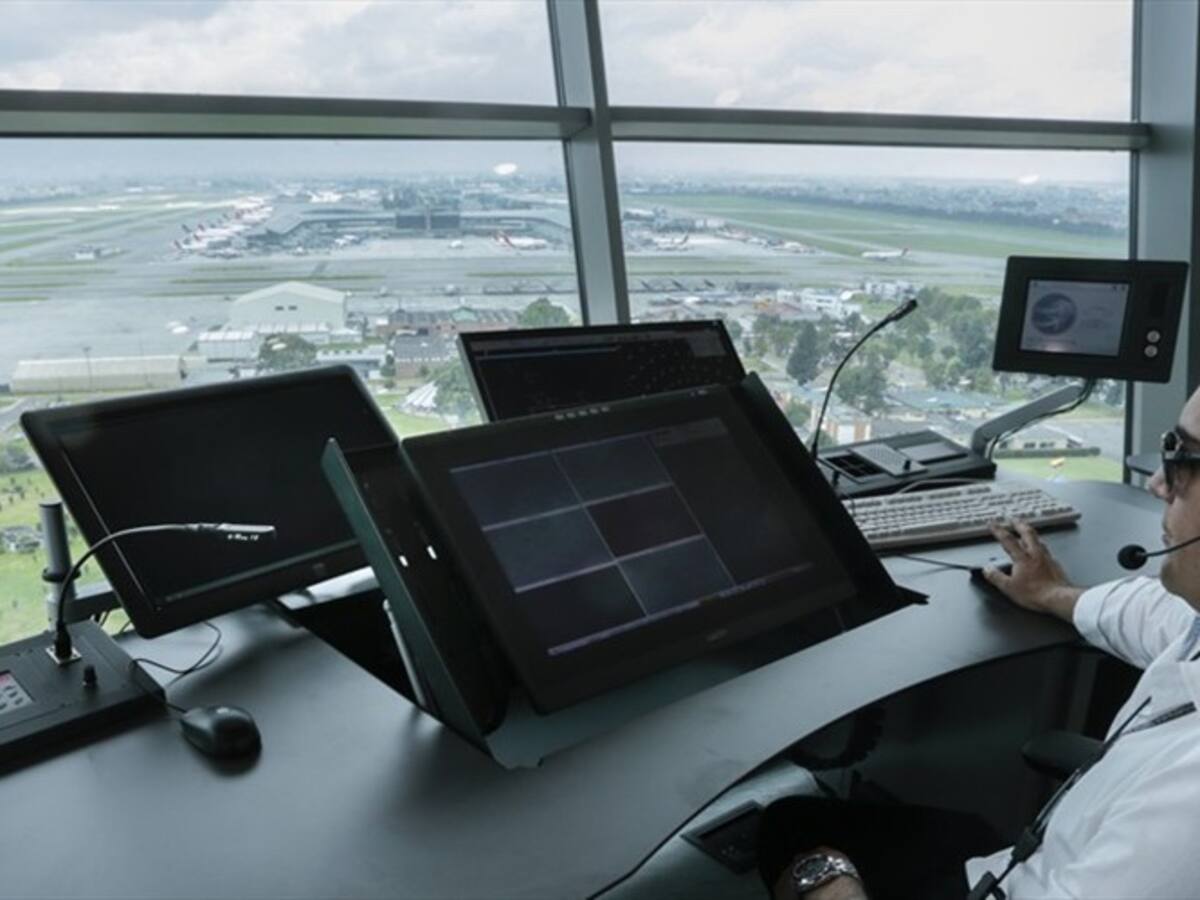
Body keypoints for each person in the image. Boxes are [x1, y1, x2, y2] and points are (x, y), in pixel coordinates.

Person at [759, 388, 1200, 900]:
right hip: (1027, 861)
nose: (1158, 483)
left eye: (1182, 458)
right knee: (792, 821)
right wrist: (1051, 593)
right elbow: (1149, 612)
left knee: (798, 837)